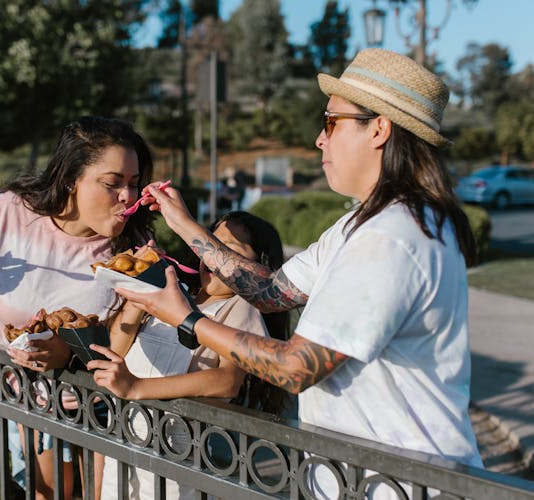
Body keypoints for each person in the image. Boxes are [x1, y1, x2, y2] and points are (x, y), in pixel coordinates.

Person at [112, 49, 483, 498]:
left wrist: (188, 319)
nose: (318, 140)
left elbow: (295, 367)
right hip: (370, 479)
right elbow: (271, 292)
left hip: (402, 485)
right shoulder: (363, 224)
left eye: (331, 122)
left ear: (379, 128)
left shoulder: (392, 236)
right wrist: (185, 225)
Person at [0, 115, 156, 499]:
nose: (128, 196)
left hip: (105, 403)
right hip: (33, 395)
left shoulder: (135, 247)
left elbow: (135, 332)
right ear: (72, 179)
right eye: (113, 183)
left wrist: (69, 355)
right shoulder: (10, 212)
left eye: (133, 183)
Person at [88, 211, 293, 499]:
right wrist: (141, 288)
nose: (213, 257)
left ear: (258, 267)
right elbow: (116, 350)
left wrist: (136, 388)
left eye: (230, 251)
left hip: (176, 444)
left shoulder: (240, 307)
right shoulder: (177, 292)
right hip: (124, 427)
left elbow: (227, 381)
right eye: (211, 244)